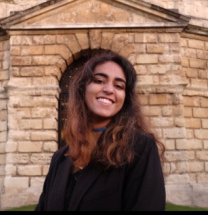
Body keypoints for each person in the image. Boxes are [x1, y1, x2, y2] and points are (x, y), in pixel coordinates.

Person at [35, 50, 166, 211]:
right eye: (99, 80)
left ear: (125, 99)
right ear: (83, 89)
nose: (109, 89)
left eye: (119, 86)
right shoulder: (60, 158)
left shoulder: (139, 147)